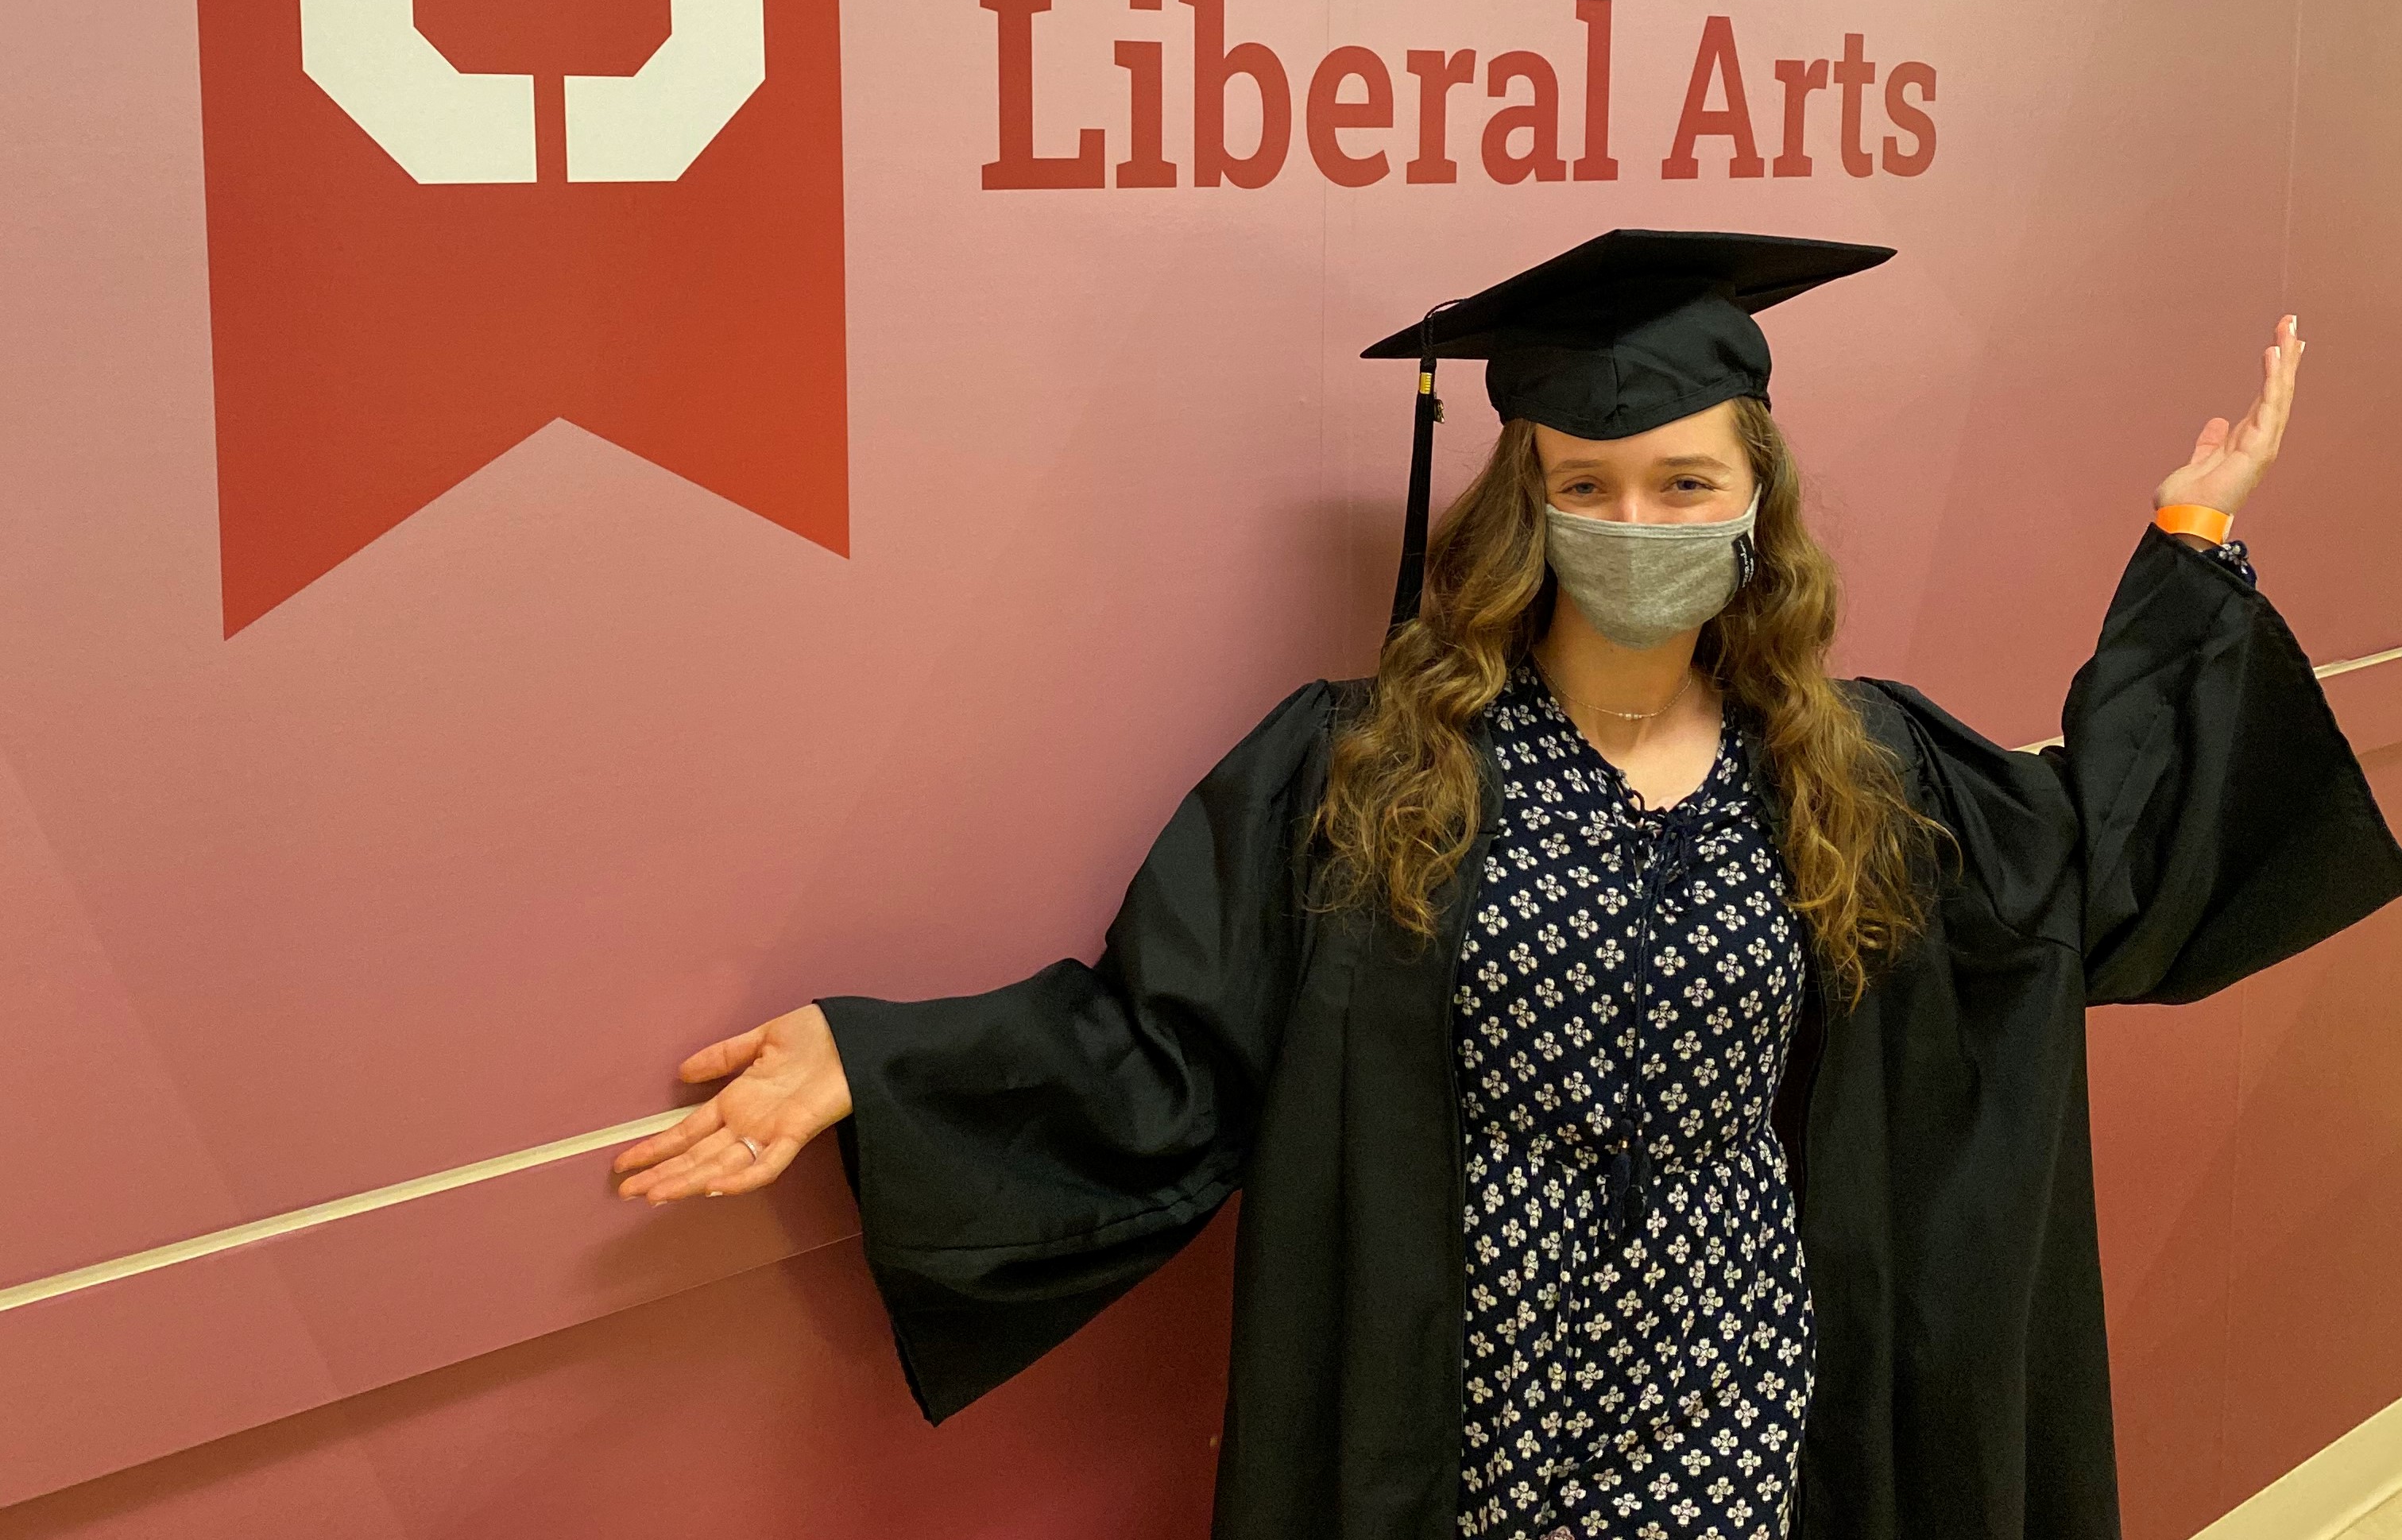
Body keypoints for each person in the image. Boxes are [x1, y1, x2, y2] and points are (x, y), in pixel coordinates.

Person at [613, 229, 2402, 1540]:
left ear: (1755, 506)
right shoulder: (1366, 772)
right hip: (1462, 1400)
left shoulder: (1864, 772)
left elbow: (2110, 864)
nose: (1638, 524)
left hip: (1746, 1382)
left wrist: (2193, 546)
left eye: (1684, 480)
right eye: (1590, 485)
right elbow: (1159, 1042)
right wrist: (877, 1061)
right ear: (1519, 508)